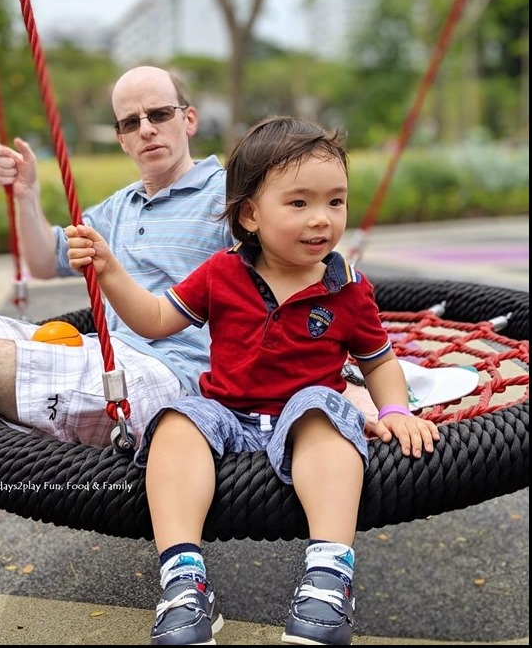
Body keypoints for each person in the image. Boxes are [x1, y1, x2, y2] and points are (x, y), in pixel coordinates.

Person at [66, 115, 441, 646]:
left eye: (336, 202)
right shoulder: (222, 273)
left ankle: (329, 578)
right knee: (176, 420)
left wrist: (396, 411)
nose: (322, 220)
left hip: (303, 419)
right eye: (298, 203)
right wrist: (108, 270)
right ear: (249, 215)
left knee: (324, 409)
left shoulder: (348, 289)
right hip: (228, 415)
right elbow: (152, 319)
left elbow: (378, 361)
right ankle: (183, 581)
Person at [0, 65, 235, 444]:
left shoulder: (229, 196)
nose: (146, 129)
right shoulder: (118, 207)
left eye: (159, 114)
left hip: (169, 378)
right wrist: (26, 196)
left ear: (188, 119)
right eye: (130, 123)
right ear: (122, 140)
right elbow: (45, 262)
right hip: (105, 355)